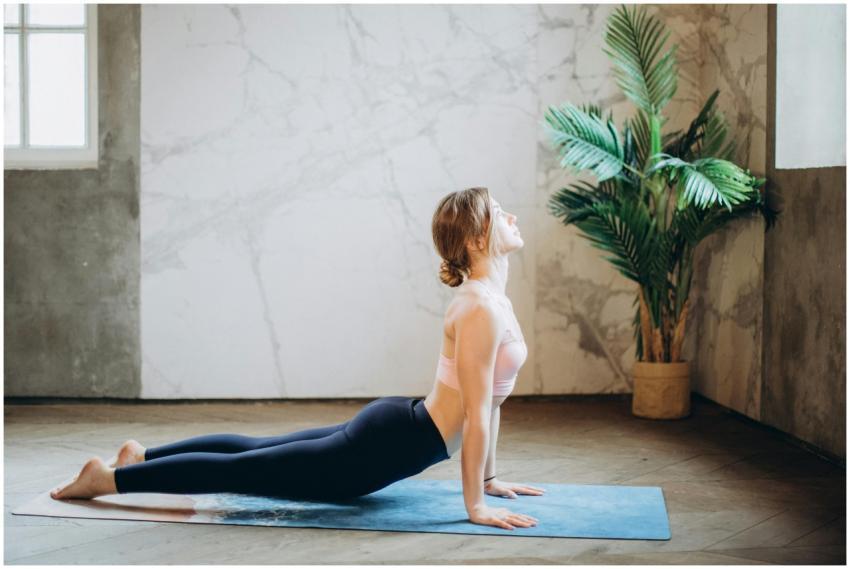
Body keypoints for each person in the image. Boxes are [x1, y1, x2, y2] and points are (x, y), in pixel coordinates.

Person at [50, 187, 544, 531]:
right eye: (500, 212)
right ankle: (109, 479)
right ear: (478, 239)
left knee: (254, 450)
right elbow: (475, 415)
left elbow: (491, 404)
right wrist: (474, 504)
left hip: (400, 428)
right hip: (386, 447)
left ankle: (143, 456)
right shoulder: (479, 308)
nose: (513, 217)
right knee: (242, 470)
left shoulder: (491, 300)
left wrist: (489, 479)